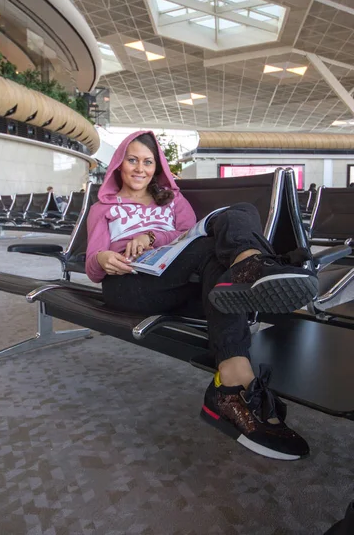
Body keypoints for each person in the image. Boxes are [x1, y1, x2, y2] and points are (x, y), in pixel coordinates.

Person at [85, 131, 318, 461]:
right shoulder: (103, 208)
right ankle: (250, 272)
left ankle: (232, 383)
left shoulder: (173, 201)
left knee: (236, 218)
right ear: (119, 164)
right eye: (132, 160)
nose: (140, 168)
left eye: (148, 162)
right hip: (130, 284)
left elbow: (188, 232)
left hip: (177, 277)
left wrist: (152, 234)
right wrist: (104, 258)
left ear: (158, 167)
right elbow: (92, 267)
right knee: (212, 253)